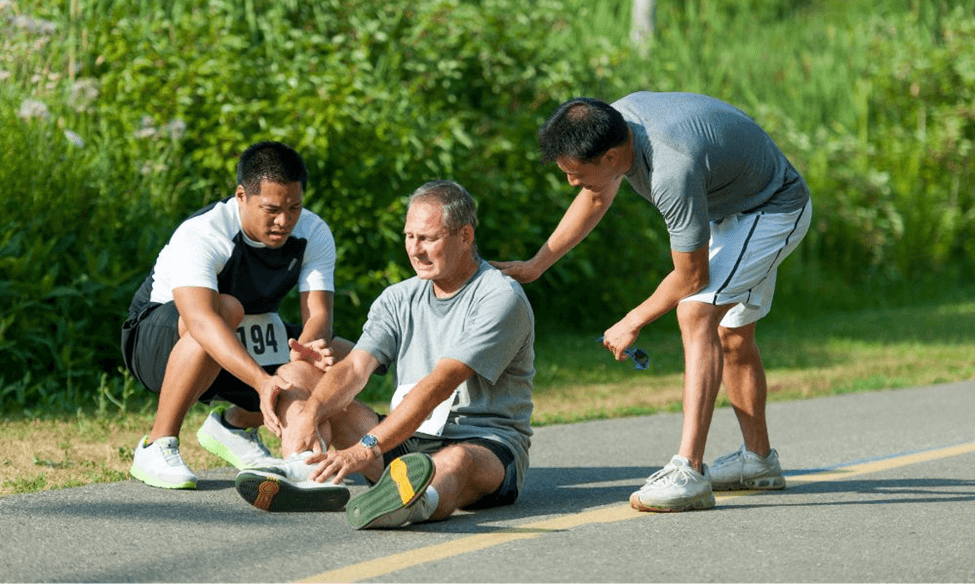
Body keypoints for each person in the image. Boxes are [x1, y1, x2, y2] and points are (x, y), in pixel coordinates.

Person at [492, 92, 812, 512]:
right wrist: (537, 264)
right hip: (729, 207)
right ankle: (757, 462)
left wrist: (633, 319)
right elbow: (594, 195)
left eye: (576, 172)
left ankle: (689, 472)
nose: (571, 180)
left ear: (610, 157)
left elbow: (691, 276)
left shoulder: (670, 167)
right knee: (732, 335)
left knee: (696, 310)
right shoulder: (615, 123)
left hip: (771, 208)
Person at [233, 180, 536, 529]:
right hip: (403, 439)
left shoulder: (499, 297)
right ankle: (306, 471)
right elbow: (356, 368)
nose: (416, 250)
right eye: (410, 237)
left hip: (485, 443)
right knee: (295, 375)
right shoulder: (398, 297)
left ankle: (416, 502)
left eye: (428, 238)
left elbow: (439, 384)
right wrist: (310, 414)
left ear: (466, 236)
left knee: (456, 460)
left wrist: (365, 449)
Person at [121, 140, 352, 490]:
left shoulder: (313, 232)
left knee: (345, 353)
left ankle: (234, 427)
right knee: (226, 309)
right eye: (272, 209)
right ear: (241, 196)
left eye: (294, 207)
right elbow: (200, 321)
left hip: (241, 336)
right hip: (159, 342)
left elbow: (318, 316)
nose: (284, 220)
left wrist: (302, 361)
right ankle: (157, 443)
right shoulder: (204, 232)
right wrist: (262, 381)